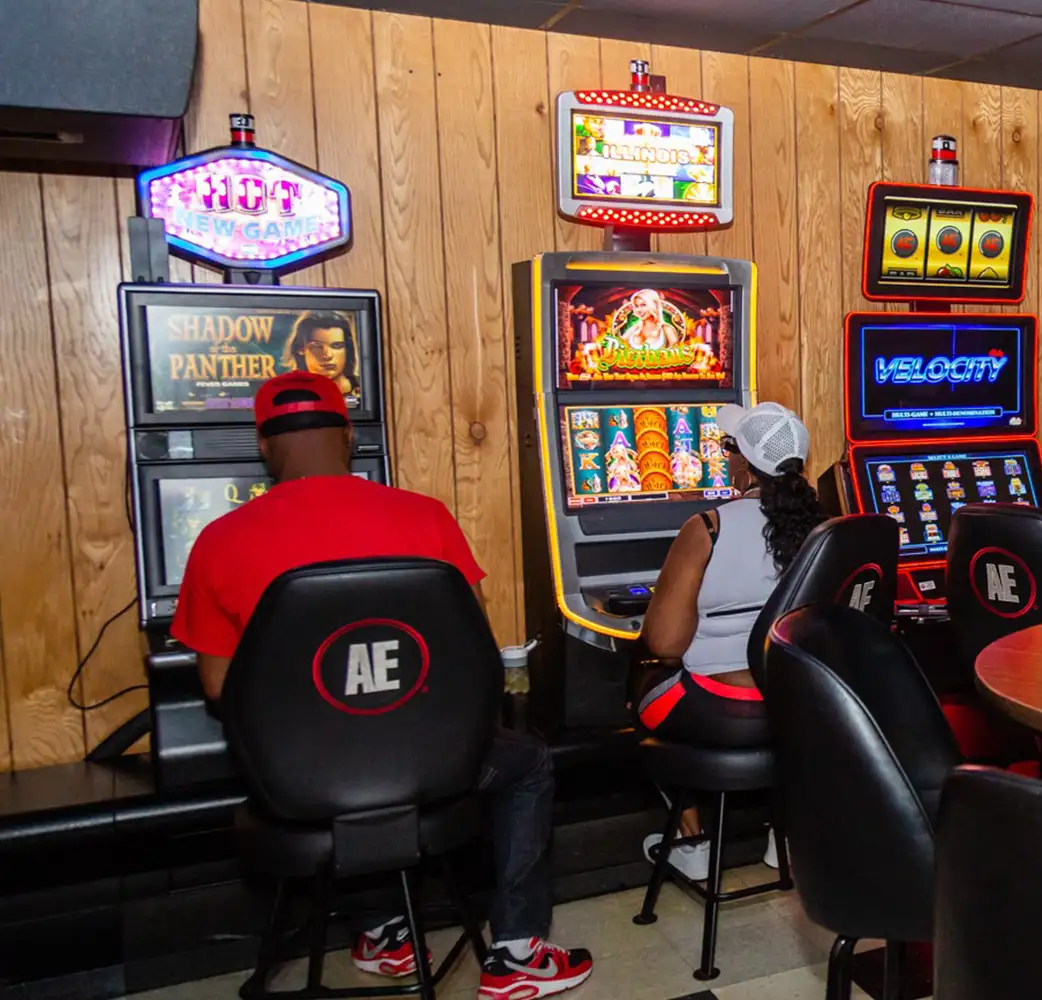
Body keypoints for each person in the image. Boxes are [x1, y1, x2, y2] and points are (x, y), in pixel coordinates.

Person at [171, 371, 592, 999]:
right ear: (347, 435)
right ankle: (516, 953)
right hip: (429, 767)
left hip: (300, 782)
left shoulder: (217, 541)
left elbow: (218, 688)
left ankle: (384, 930)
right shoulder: (424, 518)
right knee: (526, 762)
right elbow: (473, 653)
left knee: (349, 757)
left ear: (264, 445)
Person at [632, 401, 823, 879]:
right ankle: (790, 839)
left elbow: (665, 642)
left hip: (720, 708)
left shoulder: (707, 528)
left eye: (728, 447)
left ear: (742, 461)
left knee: (637, 679)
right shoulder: (820, 527)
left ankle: (692, 840)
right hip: (794, 703)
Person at [284, 310, 361, 401]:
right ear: (300, 349)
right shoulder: (287, 394)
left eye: (336, 346)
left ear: (347, 349)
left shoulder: (365, 388)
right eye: (317, 346)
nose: (328, 355)